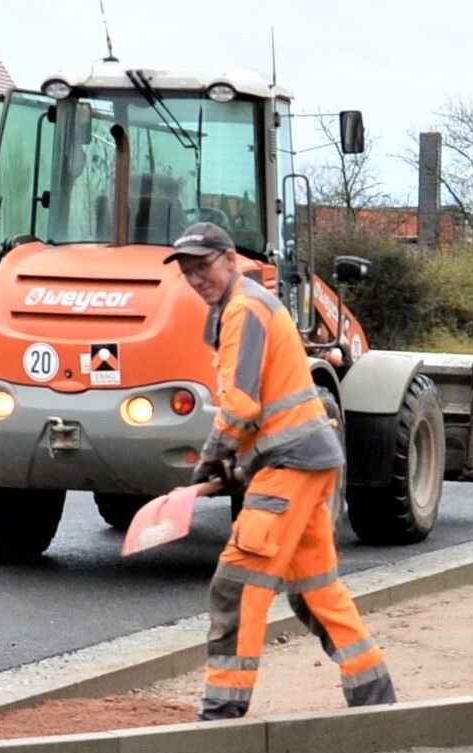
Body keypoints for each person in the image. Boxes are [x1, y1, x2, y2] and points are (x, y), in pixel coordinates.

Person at [169, 224, 396, 720]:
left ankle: (222, 710)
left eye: (202, 266)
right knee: (316, 591)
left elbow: (241, 404)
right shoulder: (244, 304)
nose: (196, 278)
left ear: (229, 259)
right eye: (187, 272)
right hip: (309, 461)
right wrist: (234, 462)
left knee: (237, 584)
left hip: (290, 465)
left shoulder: (243, 308)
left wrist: (211, 459)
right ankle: (375, 699)